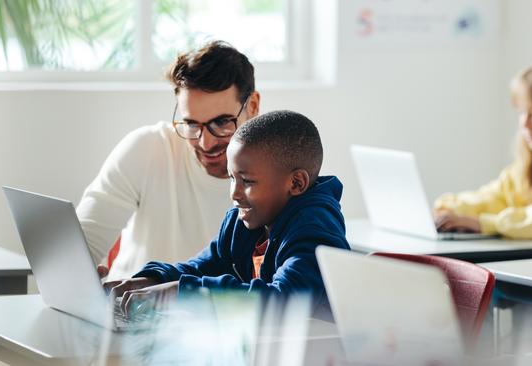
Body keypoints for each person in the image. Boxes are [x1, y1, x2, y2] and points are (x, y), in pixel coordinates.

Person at [106, 110, 350, 314]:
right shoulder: (242, 222)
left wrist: (184, 292)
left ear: (296, 183)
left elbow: (283, 300)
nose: (234, 193)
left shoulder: (315, 231)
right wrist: (154, 279)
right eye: (233, 178)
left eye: (247, 182)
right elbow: (201, 267)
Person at [76, 41, 260, 279]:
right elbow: (81, 245)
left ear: (253, 106)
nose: (205, 143)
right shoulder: (148, 149)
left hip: (222, 314)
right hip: (128, 307)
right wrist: (80, 277)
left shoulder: (281, 174)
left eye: (222, 122)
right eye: (191, 124)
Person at [434, 61, 532, 240]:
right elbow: (493, 198)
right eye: (521, 112)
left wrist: (488, 224)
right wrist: (448, 210)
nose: (524, 124)